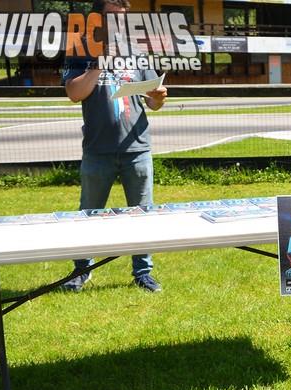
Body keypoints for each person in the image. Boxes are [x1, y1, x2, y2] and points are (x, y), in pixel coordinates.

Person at [60, 0, 168, 293]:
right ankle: (82, 270)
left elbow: (152, 102)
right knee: (88, 214)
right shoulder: (80, 50)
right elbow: (74, 92)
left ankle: (143, 273)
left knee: (141, 214)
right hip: (98, 150)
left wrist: (159, 97)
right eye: (110, 18)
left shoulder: (138, 52)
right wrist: (101, 62)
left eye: (121, 19)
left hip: (138, 147)